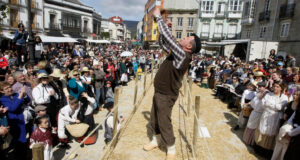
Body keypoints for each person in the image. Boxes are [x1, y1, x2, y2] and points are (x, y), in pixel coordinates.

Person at [143, 7, 201, 160]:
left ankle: (171, 149)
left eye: (187, 38)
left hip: (167, 94)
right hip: (160, 90)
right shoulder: (178, 52)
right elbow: (163, 43)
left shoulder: (183, 55)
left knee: (164, 120)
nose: (184, 38)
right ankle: (156, 140)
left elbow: (169, 39)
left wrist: (158, 18)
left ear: (189, 47)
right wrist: (165, 27)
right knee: (154, 118)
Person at [0, 82, 30, 160]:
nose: (9, 89)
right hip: (14, 121)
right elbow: (13, 108)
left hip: (24, 119)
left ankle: (25, 155)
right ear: (2, 91)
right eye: (6, 88)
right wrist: (20, 96)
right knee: (19, 140)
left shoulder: (16, 94)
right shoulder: (3, 99)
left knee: (25, 139)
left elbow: (27, 101)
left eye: (10, 87)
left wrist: (24, 94)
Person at [255, 82, 288, 151]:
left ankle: (266, 150)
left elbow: (280, 107)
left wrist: (269, 104)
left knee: (270, 132)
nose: (275, 88)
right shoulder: (269, 94)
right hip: (266, 114)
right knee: (262, 129)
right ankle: (258, 147)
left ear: (281, 88)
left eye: (277, 87)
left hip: (274, 116)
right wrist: (274, 105)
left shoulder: (284, 97)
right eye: (274, 86)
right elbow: (263, 104)